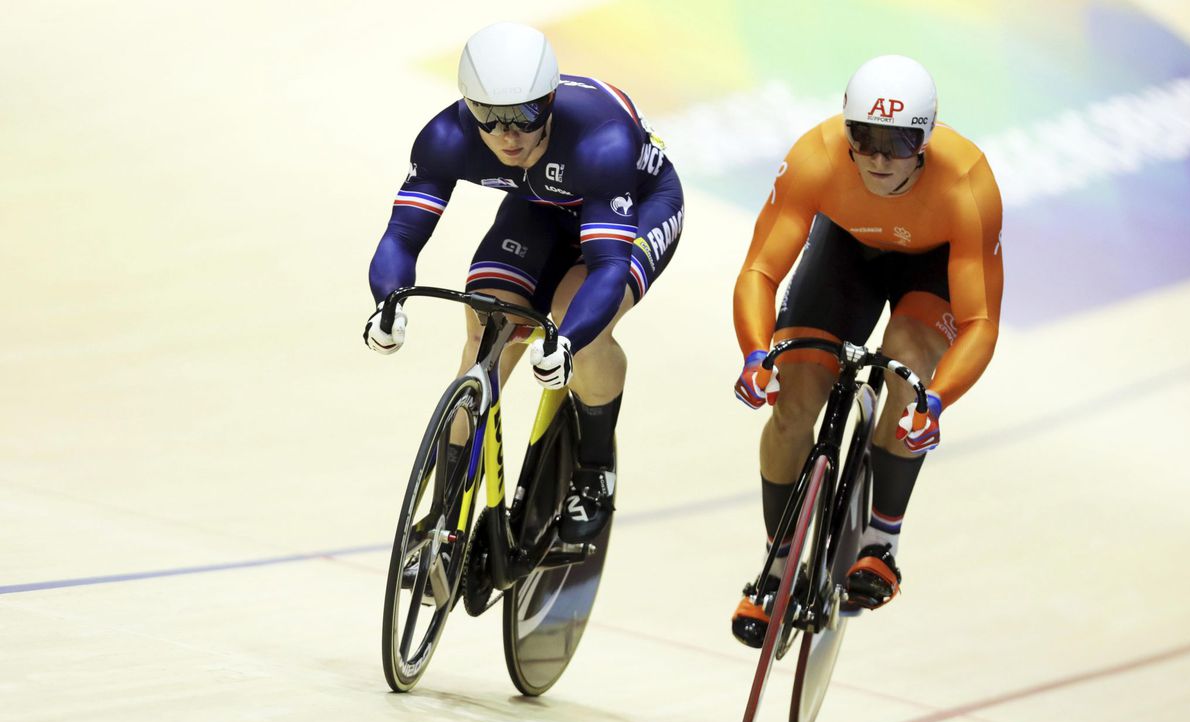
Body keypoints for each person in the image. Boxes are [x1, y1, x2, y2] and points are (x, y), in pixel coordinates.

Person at [363, 22, 684, 543]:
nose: (508, 136)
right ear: (468, 106)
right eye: (489, 119)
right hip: (541, 208)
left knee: (573, 314)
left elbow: (606, 266)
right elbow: (402, 235)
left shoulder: (602, 138)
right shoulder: (446, 137)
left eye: (526, 115)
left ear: (551, 100)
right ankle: (447, 511)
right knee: (488, 324)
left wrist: (568, 339)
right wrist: (388, 301)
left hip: (636, 206)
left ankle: (596, 466)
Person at [729, 55, 1003, 647]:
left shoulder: (967, 182)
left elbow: (980, 321)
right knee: (794, 403)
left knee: (908, 366)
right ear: (847, 130)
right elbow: (759, 270)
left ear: (926, 140)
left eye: (899, 144)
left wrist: (939, 400)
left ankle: (882, 541)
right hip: (845, 253)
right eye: (866, 140)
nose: (880, 159)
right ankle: (778, 567)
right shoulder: (815, 157)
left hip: (930, 270)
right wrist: (755, 354)